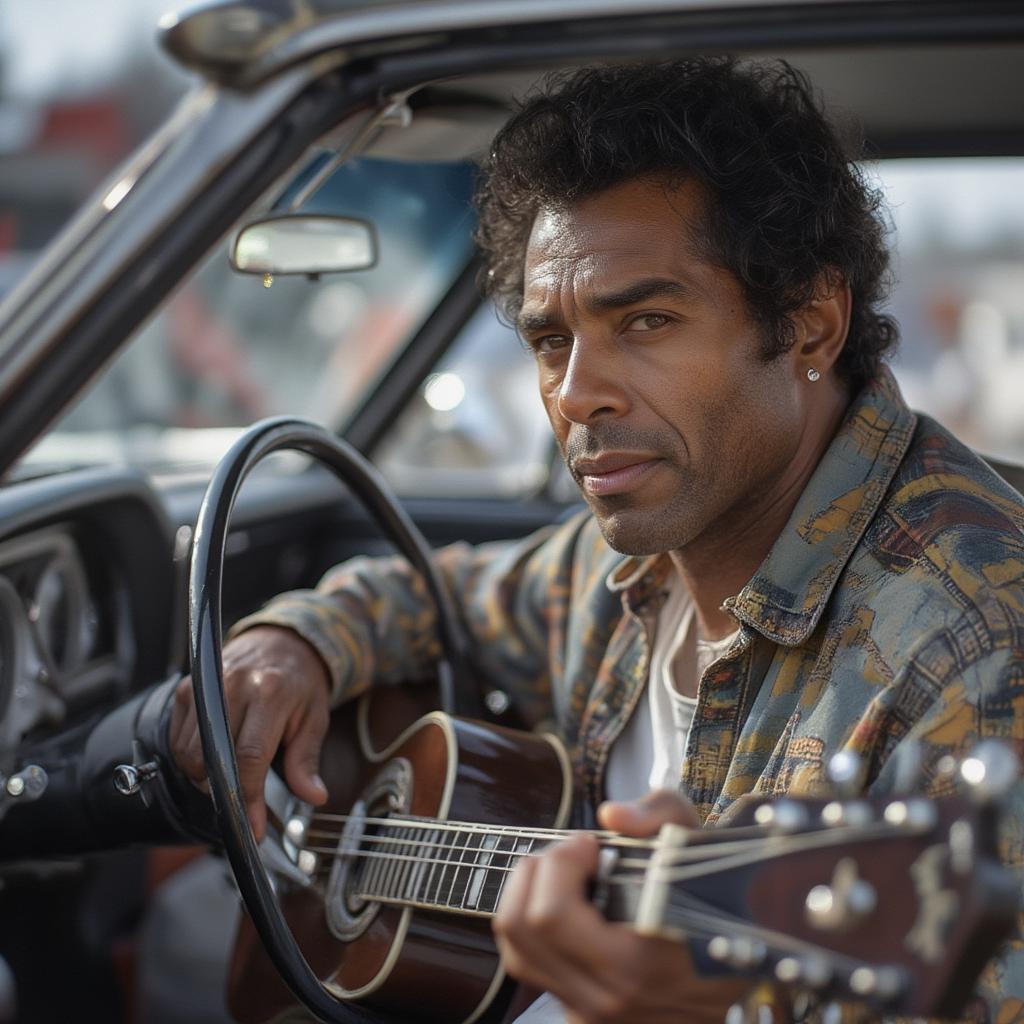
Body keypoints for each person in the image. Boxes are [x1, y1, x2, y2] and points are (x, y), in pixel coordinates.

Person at [169, 58, 1024, 1022]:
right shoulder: (634, 554)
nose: (576, 394)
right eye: (549, 342)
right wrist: (297, 643)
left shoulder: (978, 645)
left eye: (647, 321)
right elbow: (436, 597)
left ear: (810, 324)